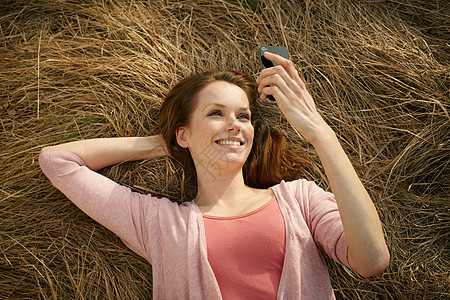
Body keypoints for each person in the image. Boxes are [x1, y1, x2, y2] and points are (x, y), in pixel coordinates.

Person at [39, 51, 389, 299]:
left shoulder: (301, 200)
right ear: (183, 133)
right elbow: (58, 160)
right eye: (216, 113)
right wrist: (165, 145)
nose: (235, 124)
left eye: (244, 115)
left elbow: (372, 261)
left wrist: (320, 134)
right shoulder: (160, 223)